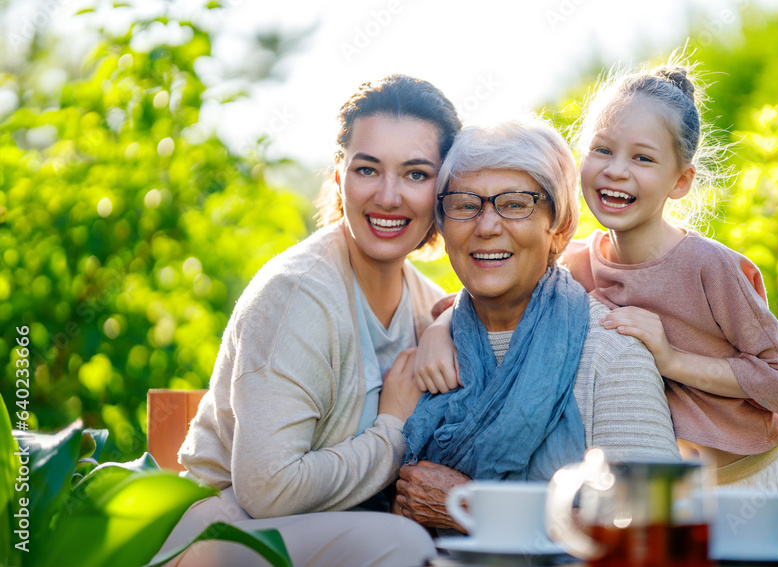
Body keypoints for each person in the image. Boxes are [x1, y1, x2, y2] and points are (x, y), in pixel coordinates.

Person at [158, 74, 461, 567]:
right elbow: (267, 490)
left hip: (326, 534)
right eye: (368, 169)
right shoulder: (298, 295)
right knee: (404, 547)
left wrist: (450, 324)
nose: (388, 196)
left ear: (444, 189)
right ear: (339, 174)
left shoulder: (426, 306)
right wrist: (392, 429)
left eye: (415, 174)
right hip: (223, 534)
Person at [559, 59, 778, 560]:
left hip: (761, 488)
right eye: (602, 149)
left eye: (643, 159)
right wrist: (440, 327)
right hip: (671, 504)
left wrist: (673, 361)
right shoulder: (577, 263)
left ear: (681, 180)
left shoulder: (710, 267)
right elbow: (489, 299)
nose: (616, 169)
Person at [393, 118, 680, 532]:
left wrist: (473, 510)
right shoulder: (427, 348)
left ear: (560, 230)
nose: (487, 226)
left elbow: (656, 525)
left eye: (515, 204)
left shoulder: (611, 351)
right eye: (464, 204)